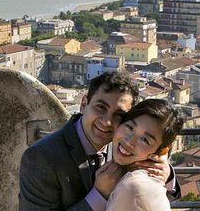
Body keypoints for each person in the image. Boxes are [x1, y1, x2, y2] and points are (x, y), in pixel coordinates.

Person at [19, 72, 179, 211]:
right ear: (83, 104)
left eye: (118, 115)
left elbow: (148, 201)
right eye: (101, 107)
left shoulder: (123, 146)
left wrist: (167, 176)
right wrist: (99, 196)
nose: (107, 122)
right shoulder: (41, 157)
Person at [105, 98, 184, 210]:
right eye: (130, 127)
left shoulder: (134, 187)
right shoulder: (102, 143)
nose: (129, 141)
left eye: (144, 140)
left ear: (162, 151)